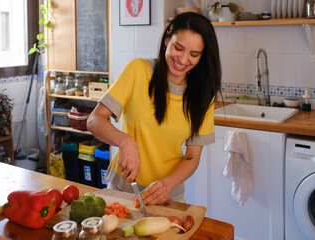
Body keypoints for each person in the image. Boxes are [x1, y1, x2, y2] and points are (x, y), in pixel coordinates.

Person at [87, 12, 222, 205]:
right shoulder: (138, 70)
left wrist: (166, 185)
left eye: (194, 54)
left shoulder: (202, 95)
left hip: (168, 196)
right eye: (179, 48)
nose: (183, 60)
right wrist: (125, 142)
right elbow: (94, 120)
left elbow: (192, 156)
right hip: (122, 190)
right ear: (167, 39)